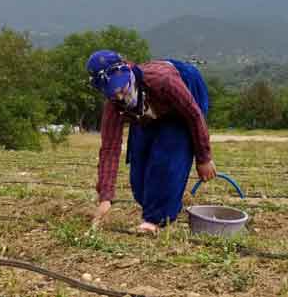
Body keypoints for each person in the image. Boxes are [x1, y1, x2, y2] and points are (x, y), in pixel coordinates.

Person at [86, 50, 216, 233]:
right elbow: (109, 148)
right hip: (146, 109)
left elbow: (193, 116)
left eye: (122, 89)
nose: (120, 97)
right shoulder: (114, 105)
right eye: (113, 94)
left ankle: (156, 220)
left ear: (128, 72)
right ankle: (158, 206)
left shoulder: (162, 81)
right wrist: (105, 198)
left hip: (181, 93)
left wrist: (204, 158)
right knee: (139, 164)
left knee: (168, 154)